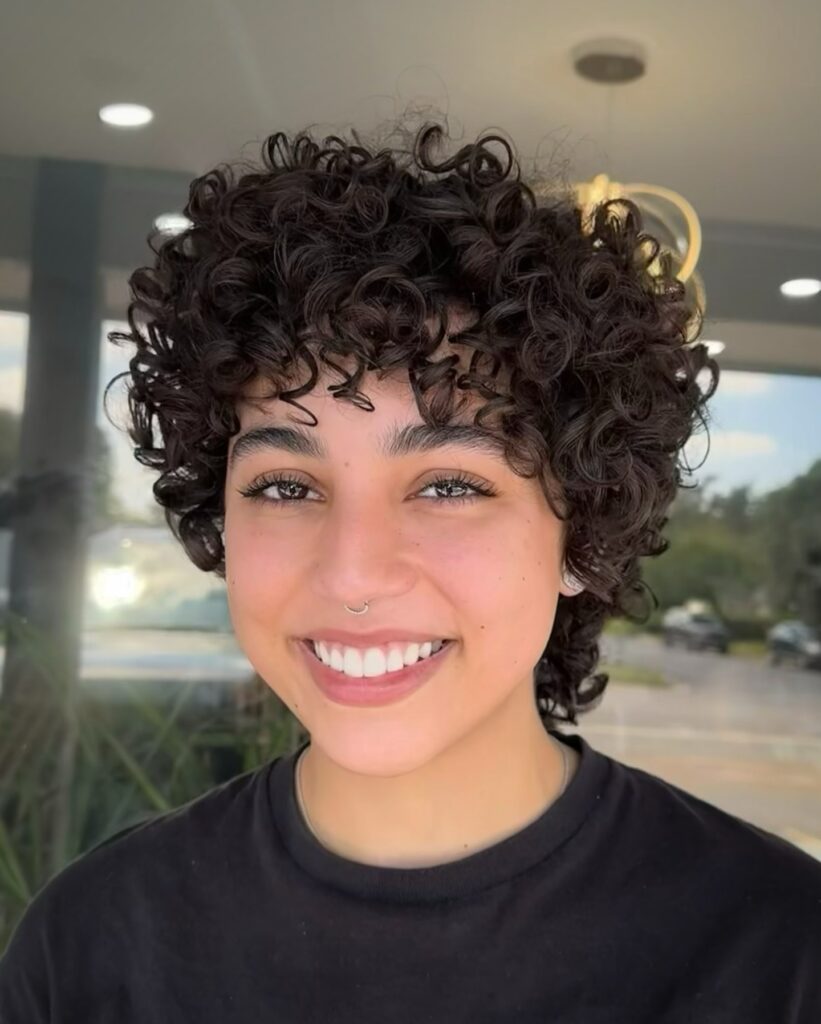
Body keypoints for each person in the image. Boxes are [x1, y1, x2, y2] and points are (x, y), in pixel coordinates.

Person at [1, 118, 819, 1023]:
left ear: (580, 536)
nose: (353, 571)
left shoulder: (779, 953)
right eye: (282, 485)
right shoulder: (90, 946)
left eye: (447, 484)